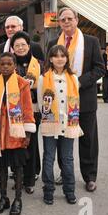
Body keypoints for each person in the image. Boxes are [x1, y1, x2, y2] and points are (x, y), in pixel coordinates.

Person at [48, 7, 104, 192]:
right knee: (64, 138)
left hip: (84, 99)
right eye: (62, 19)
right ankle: (66, 174)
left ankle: (90, 176)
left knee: (87, 139)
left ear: (77, 20)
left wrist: (78, 83)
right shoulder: (52, 43)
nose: (66, 22)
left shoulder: (91, 42)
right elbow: (47, 69)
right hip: (60, 100)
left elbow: (99, 69)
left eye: (69, 19)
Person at [0, 52, 35, 215]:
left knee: (17, 167)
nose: (6, 67)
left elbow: (28, 109)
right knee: (1, 167)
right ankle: (3, 197)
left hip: (16, 133)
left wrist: (28, 134)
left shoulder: (22, 84)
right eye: (2, 64)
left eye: (9, 64)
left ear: (15, 66)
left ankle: (17, 199)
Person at [38, 45, 82, 205]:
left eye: (62, 56)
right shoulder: (43, 78)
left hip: (69, 123)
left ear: (67, 58)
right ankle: (48, 189)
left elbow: (76, 101)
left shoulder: (73, 78)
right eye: (56, 56)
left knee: (68, 158)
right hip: (50, 123)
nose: (59, 59)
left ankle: (69, 190)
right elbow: (42, 103)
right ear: (50, 59)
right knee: (48, 157)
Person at [10, 31, 43, 194]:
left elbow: (45, 89)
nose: (20, 48)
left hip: (33, 111)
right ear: (13, 48)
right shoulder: (9, 65)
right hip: (14, 111)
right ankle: (17, 175)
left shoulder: (40, 65)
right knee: (16, 144)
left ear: (29, 46)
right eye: (17, 45)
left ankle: (29, 178)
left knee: (30, 144)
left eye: (23, 45)